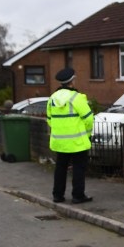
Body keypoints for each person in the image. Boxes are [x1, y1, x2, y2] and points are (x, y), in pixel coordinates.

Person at [46, 67, 94, 204]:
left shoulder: (52, 99)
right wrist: (86, 133)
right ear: (72, 82)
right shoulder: (77, 98)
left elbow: (49, 119)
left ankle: (57, 195)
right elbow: (89, 118)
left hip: (60, 143)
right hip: (78, 141)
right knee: (78, 169)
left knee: (60, 169)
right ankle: (78, 196)